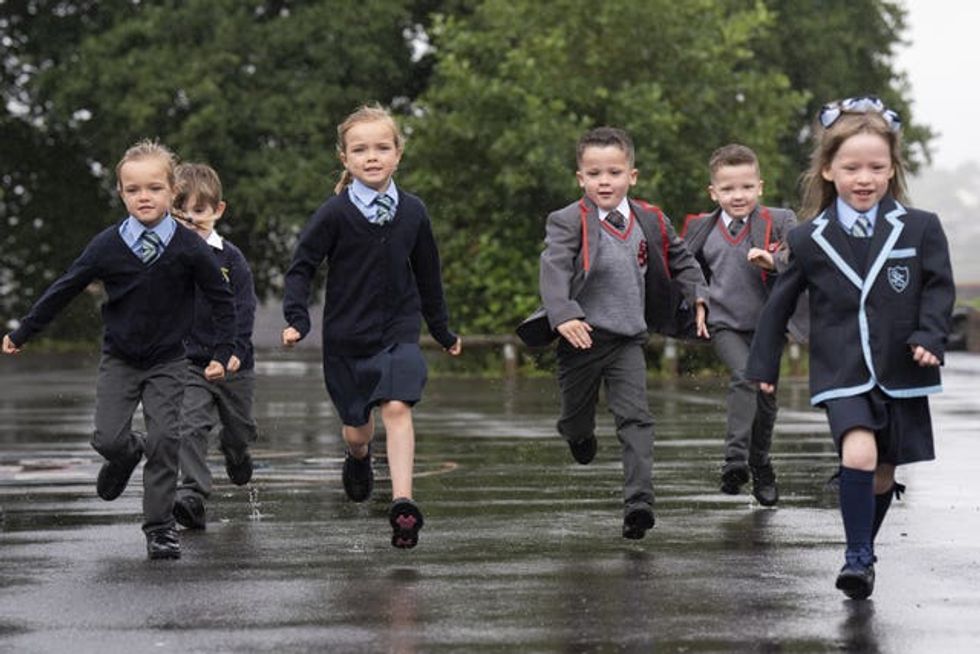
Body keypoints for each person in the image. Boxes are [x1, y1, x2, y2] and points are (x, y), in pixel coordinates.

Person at [746, 97, 955, 600]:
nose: (865, 178)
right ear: (828, 169)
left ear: (892, 170)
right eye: (852, 167)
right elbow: (780, 302)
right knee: (858, 453)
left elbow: (938, 287)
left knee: (884, 473)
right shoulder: (808, 238)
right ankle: (857, 558)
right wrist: (764, 363)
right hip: (841, 368)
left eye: (877, 167)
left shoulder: (920, 226)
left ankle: (866, 546)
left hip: (901, 369)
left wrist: (930, 336)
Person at [2, 140, 237, 560]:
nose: (144, 197)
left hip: (168, 360)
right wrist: (24, 332)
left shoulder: (188, 247)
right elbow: (65, 288)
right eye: (133, 190)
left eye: (153, 188)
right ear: (121, 193)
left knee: (167, 440)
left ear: (170, 192)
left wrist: (223, 351)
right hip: (121, 359)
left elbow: (222, 300)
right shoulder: (107, 245)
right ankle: (126, 454)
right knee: (108, 438)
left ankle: (160, 527)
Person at [282, 104, 462, 549]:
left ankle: (403, 503)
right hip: (346, 339)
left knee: (398, 407)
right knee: (357, 427)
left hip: (398, 331)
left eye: (382, 147)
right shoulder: (334, 213)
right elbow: (301, 267)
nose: (372, 156)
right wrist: (297, 319)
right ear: (345, 159)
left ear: (398, 154)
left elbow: (428, 275)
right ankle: (358, 456)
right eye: (360, 149)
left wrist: (441, 330)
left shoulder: (414, 212)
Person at [516, 127, 707, 540]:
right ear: (580, 178)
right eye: (595, 173)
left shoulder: (651, 220)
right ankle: (577, 434)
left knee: (636, 418)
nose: (605, 181)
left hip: (627, 340)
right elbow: (554, 268)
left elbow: (684, 262)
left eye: (614, 172)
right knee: (575, 419)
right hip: (580, 337)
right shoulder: (568, 220)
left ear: (632, 176)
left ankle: (639, 502)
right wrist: (562, 313)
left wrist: (699, 297)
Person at [681, 144, 803, 505]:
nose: (739, 196)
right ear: (713, 192)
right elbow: (686, 269)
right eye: (729, 189)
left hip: (768, 325)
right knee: (745, 377)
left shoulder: (779, 221)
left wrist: (773, 261)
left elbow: (796, 256)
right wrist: (697, 298)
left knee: (765, 398)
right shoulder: (701, 228)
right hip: (724, 324)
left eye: (747, 187)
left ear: (760, 187)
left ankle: (760, 463)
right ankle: (735, 461)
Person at [171, 163, 259, 531]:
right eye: (182, 212)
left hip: (235, 364)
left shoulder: (231, 259)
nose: (191, 220)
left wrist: (234, 351)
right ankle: (191, 494)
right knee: (190, 425)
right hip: (190, 363)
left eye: (199, 211)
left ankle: (236, 451)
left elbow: (244, 308)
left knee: (239, 429)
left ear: (217, 211)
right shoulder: (167, 257)